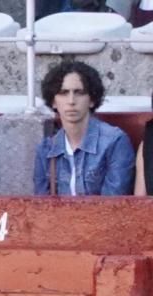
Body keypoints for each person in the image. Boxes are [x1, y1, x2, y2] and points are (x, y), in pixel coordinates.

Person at [32, 60, 133, 197]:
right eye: (63, 92)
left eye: (79, 92)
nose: (71, 101)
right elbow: (42, 207)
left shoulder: (114, 142)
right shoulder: (46, 149)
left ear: (91, 99)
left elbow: (112, 208)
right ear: (53, 102)